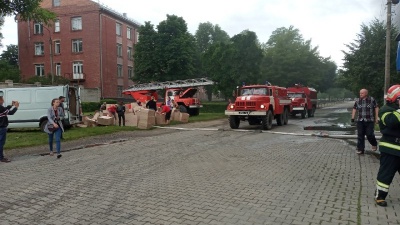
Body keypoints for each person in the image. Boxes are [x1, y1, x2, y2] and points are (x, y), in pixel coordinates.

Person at [374, 84, 400, 207]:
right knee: (386, 174)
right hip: (390, 148)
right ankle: (380, 196)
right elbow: (392, 122)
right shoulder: (385, 110)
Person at [351, 88, 378, 154]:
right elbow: (354, 108)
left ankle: (374, 143)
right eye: (360, 93)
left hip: (369, 120)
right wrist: (353, 118)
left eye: (362, 93)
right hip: (360, 120)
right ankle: (360, 149)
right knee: (360, 135)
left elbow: (376, 107)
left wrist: (376, 117)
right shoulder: (357, 100)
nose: (360, 94)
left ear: (366, 93)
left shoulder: (371, 99)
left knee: (369, 134)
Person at [0, 97, 19, 163]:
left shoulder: (1, 108)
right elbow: (10, 112)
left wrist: (11, 105)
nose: (3, 101)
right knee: (1, 143)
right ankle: (1, 158)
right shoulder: (0, 107)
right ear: (0, 100)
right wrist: (16, 107)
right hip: (2, 128)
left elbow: (5, 109)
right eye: (2, 99)